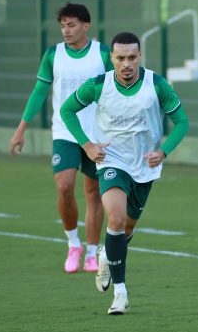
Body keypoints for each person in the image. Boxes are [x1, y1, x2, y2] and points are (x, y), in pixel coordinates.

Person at [60, 32, 189, 315]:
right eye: (120, 58)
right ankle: (120, 293)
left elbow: (181, 122)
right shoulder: (98, 85)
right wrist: (87, 144)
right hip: (111, 162)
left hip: (145, 166)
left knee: (126, 229)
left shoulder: (157, 84)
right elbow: (67, 110)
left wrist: (163, 151)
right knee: (115, 219)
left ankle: (108, 255)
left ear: (140, 56)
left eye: (132, 57)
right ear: (112, 59)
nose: (126, 63)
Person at [9, 3, 112, 274]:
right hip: (65, 133)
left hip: (97, 135)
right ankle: (73, 244)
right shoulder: (53, 54)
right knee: (64, 186)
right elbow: (39, 92)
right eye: (63, 25)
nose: (66, 30)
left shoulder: (103, 53)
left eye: (72, 24)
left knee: (93, 193)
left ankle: (91, 253)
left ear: (86, 25)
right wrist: (21, 128)